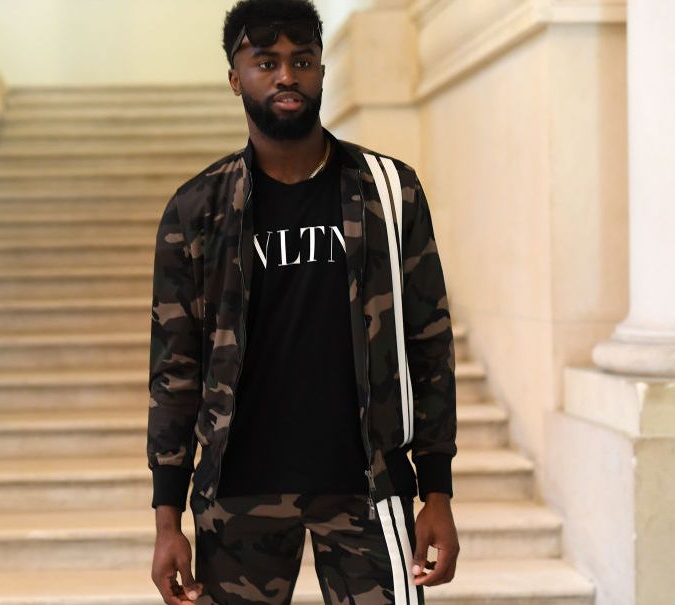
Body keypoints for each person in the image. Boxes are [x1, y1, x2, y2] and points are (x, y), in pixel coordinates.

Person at [147, 1, 460, 603]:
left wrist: (436, 490)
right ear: (236, 77)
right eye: (266, 62)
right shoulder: (197, 210)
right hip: (237, 495)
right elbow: (174, 372)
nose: (287, 76)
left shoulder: (390, 192)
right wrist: (167, 520)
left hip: (368, 487)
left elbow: (429, 343)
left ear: (321, 70)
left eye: (302, 60)